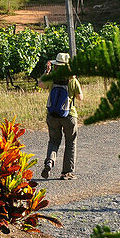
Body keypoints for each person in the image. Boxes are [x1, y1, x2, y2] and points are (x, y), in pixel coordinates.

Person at [40, 52, 82, 180]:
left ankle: (50, 161)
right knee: (70, 142)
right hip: (69, 115)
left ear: (56, 65)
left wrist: (47, 72)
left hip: (52, 115)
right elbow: (80, 98)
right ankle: (66, 172)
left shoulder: (52, 77)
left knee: (54, 140)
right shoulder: (72, 80)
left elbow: (41, 84)